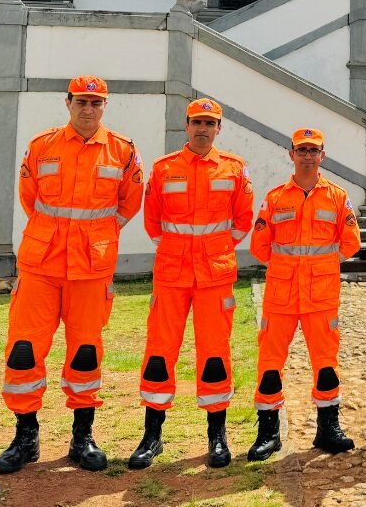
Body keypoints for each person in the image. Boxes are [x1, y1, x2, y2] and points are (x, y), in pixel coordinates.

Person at [0, 76, 143, 474]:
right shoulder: (42, 146)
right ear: (68, 102)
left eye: (96, 102)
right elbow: (31, 201)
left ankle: (82, 437)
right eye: (81, 101)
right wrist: (57, 235)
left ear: (104, 106)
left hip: (91, 269)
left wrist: (98, 236)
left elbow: (128, 205)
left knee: (85, 352)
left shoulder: (123, 151)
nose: (88, 108)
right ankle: (25, 438)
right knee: (23, 350)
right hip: (40, 266)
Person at [127, 98, 254, 470]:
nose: (203, 128)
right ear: (186, 126)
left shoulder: (234, 169)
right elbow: (153, 223)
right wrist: (178, 249)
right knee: (159, 353)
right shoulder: (164, 168)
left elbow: (242, 221)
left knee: (215, 355)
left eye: (210, 123)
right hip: (172, 273)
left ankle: (217, 436)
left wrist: (213, 249)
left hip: (215, 275)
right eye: (197, 122)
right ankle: (152, 437)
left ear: (219, 129)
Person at [247, 127, 362, 460]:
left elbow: (351, 242)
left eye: (313, 150)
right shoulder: (275, 198)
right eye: (302, 150)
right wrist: (288, 267)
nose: (308, 156)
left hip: (321, 296)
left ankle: (328, 429)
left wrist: (322, 266)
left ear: (322, 156)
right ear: (291, 154)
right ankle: (268, 433)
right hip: (281, 295)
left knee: (326, 366)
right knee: (270, 365)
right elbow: (259, 246)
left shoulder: (337, 197)